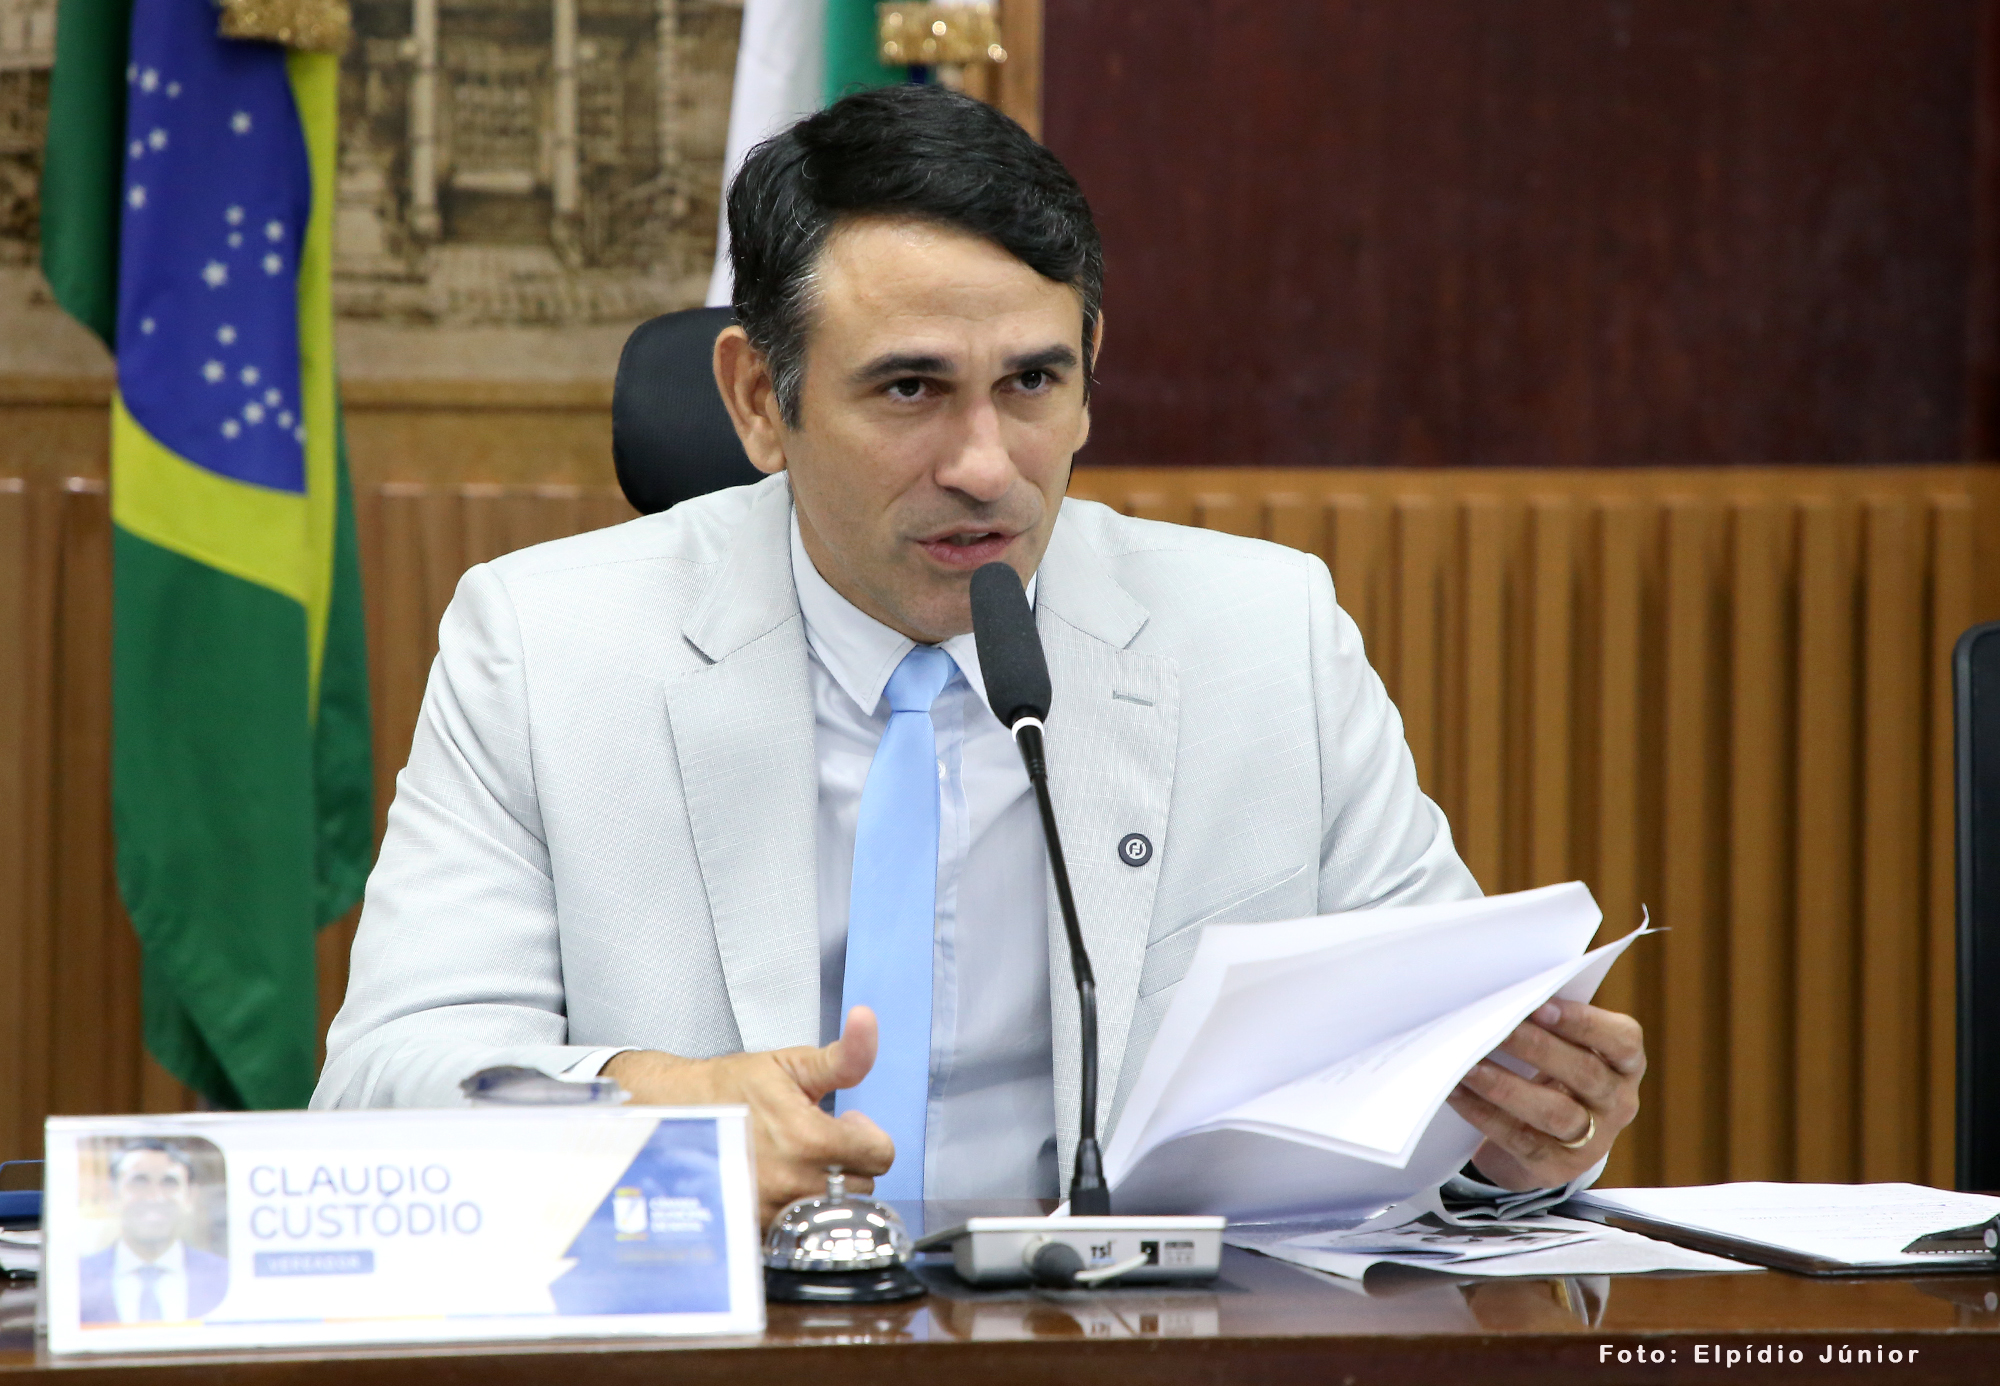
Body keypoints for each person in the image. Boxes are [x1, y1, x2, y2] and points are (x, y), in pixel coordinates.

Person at [314, 85, 1645, 1223]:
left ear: (1090, 370)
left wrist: (1524, 1137)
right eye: (911, 389)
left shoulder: (1262, 636)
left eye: (1031, 383)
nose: (985, 466)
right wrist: (648, 1105)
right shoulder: (545, 646)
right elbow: (384, 1084)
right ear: (759, 400)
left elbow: (1443, 1070)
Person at [78, 1142, 228, 1324]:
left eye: (169, 1183)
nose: (154, 1197)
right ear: (111, 1195)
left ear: (190, 1197)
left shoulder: (226, 1278)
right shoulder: (76, 1280)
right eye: (139, 1182)